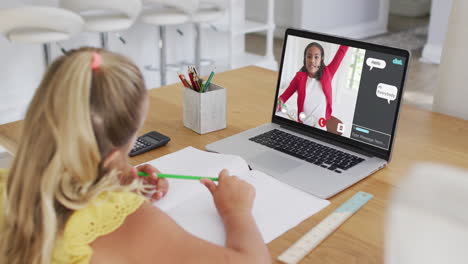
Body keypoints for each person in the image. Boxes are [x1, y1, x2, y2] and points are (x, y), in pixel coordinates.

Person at [0, 47, 271, 264]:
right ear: (117, 150)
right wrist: (235, 210)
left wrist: (108, 186)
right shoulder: (126, 223)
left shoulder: (6, 185)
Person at [277, 42, 348, 129]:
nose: (312, 60)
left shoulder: (328, 73)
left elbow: (341, 52)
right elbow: (283, 97)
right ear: (305, 59)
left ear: (321, 59)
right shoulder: (299, 77)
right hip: (302, 128)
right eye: (309, 56)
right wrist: (279, 103)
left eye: (316, 57)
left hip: (320, 129)